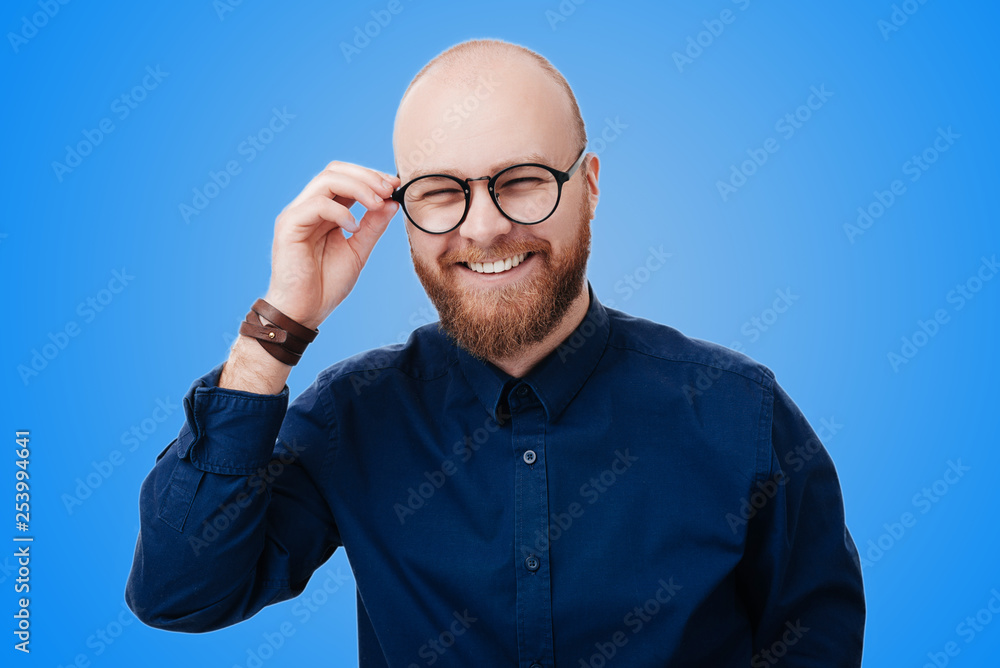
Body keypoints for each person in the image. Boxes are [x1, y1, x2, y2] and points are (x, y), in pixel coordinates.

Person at [126, 38, 865, 666]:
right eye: (443, 191)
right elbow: (181, 594)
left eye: (521, 180)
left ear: (591, 186)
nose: (483, 228)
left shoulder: (742, 417)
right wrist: (279, 325)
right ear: (404, 208)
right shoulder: (351, 418)